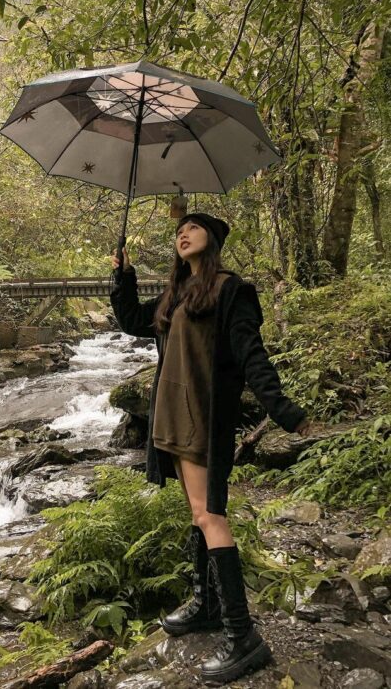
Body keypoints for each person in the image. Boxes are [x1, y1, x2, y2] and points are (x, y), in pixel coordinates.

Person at [110, 212, 313, 686]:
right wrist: (123, 276)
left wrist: (283, 409)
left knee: (210, 516)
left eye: (193, 228)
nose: (183, 234)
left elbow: (250, 354)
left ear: (213, 239)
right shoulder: (177, 293)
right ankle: (207, 604)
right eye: (179, 230)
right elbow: (133, 322)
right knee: (198, 514)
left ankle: (243, 637)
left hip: (205, 416)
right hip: (172, 416)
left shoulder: (230, 290)